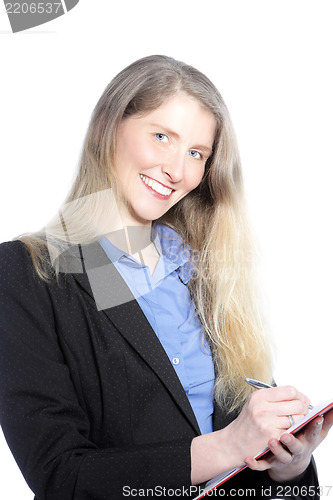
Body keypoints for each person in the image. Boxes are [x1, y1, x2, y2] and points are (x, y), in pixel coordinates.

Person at [0, 55, 331, 500]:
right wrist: (227, 446)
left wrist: (290, 466)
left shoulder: (204, 272)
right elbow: (61, 478)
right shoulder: (30, 271)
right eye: (161, 137)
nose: (177, 170)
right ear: (109, 127)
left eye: (196, 153)